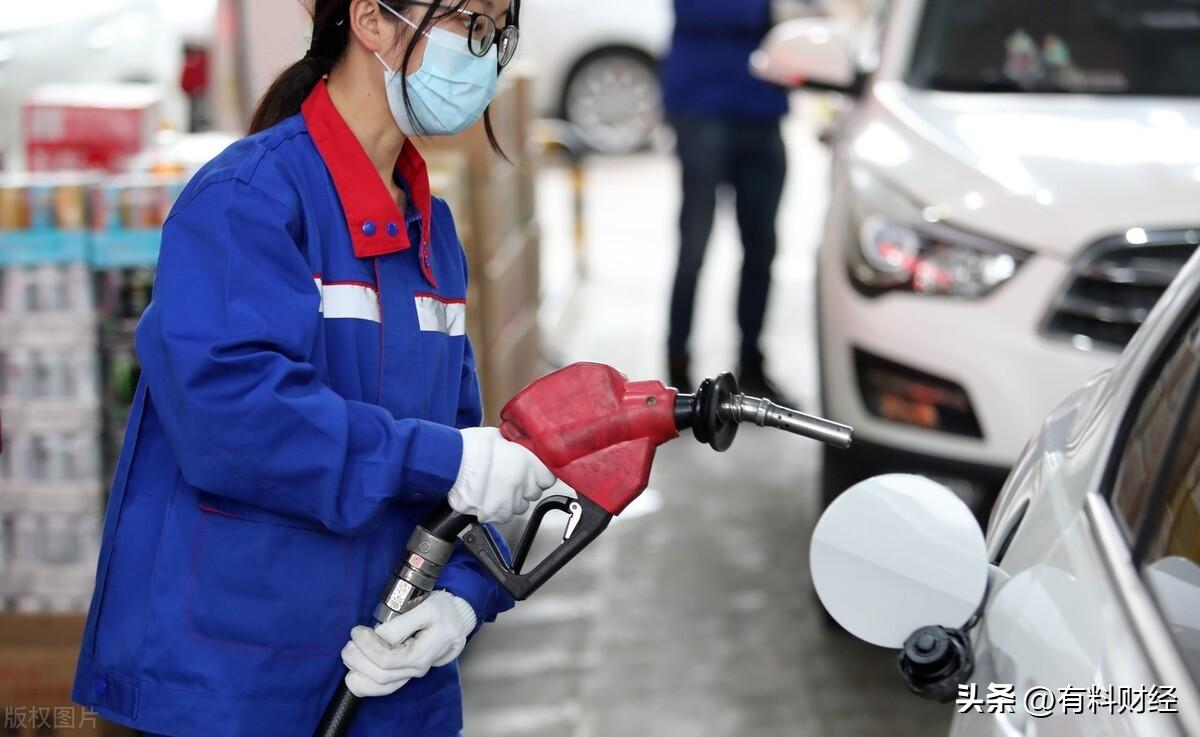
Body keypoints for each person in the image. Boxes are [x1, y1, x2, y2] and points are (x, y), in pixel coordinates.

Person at [71, 2, 552, 736]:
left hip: (387, 690)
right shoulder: (249, 201)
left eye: (497, 34)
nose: (482, 56)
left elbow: (460, 473)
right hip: (231, 692)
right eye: (467, 23)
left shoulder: (431, 231)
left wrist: (461, 598)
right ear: (372, 20)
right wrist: (443, 458)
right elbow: (234, 417)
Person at [662, 0, 800, 400]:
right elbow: (704, 13)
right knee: (694, 247)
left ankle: (752, 365)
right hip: (702, 107)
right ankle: (677, 365)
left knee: (762, 248)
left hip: (762, 107)